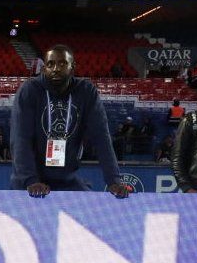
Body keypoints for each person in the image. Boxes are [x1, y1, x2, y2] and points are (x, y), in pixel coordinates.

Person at [9, 44, 129, 198]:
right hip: (28, 181)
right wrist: (30, 180)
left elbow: (102, 138)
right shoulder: (30, 90)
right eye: (50, 64)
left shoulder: (86, 92)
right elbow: (20, 139)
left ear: (73, 67)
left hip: (67, 180)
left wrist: (114, 180)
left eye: (62, 63)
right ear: (44, 69)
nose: (56, 69)